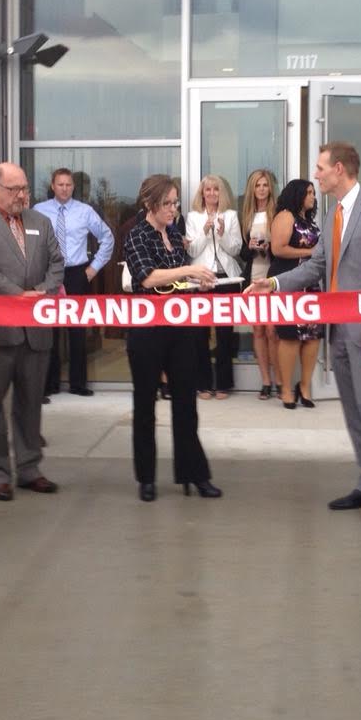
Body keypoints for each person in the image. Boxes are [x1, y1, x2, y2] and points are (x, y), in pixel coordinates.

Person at [249, 142, 361, 523]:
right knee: (354, 409)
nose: (317, 175)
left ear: (339, 169)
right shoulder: (332, 215)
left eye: (321, 168)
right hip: (338, 331)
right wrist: (273, 285)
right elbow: (315, 268)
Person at [0, 162, 63, 502]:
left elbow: (57, 264)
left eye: (25, 189)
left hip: (36, 332)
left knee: (31, 403)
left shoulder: (40, 222)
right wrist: (18, 295)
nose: (21, 196)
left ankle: (30, 468)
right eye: (14, 189)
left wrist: (42, 292)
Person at [123, 174, 220, 502]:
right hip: (147, 333)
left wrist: (198, 282)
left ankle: (195, 474)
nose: (173, 209)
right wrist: (189, 271)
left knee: (186, 405)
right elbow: (148, 278)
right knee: (145, 405)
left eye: (175, 203)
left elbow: (177, 282)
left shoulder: (175, 234)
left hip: (181, 330)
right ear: (150, 204)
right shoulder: (137, 235)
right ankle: (146, 478)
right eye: (167, 203)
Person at [33, 168, 114, 398]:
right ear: (52, 185)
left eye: (68, 185)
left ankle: (78, 384)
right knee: (50, 331)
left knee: (77, 331)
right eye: (60, 184)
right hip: (49, 274)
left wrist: (93, 269)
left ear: (73, 187)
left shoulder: (85, 211)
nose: (65, 188)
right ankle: (50, 385)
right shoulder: (39, 211)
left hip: (77, 273)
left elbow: (107, 238)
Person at [186, 174, 242, 399]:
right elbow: (191, 251)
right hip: (201, 279)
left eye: (215, 190)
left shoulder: (231, 216)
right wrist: (204, 231)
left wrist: (222, 233)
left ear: (222, 193)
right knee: (200, 333)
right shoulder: (193, 217)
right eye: (207, 190)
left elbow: (236, 249)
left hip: (226, 279)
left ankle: (224, 384)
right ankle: (203, 383)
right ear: (202, 193)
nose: (211, 194)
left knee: (224, 334)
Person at [268, 179, 322, 410]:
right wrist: (313, 252)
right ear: (298, 194)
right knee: (289, 335)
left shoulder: (309, 220)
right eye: (309, 192)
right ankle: (287, 389)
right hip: (287, 280)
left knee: (313, 335)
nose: (313, 196)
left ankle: (305, 386)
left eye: (313, 192)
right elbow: (278, 248)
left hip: (310, 283)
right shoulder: (285, 216)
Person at [240, 169, 278, 399]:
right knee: (258, 331)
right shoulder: (247, 215)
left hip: (272, 277)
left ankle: (279, 379)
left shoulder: (278, 213)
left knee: (273, 330)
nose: (262, 189)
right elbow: (242, 252)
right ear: (252, 189)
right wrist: (252, 248)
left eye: (265, 185)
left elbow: (281, 249)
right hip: (254, 276)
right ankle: (265, 381)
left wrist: (269, 248)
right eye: (258, 185)